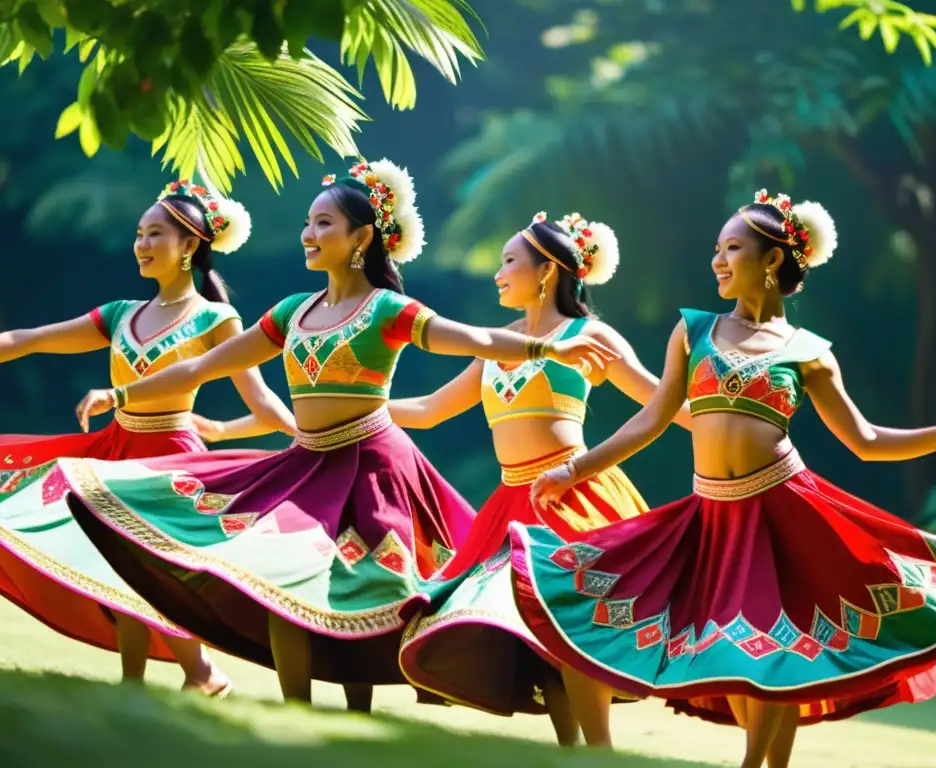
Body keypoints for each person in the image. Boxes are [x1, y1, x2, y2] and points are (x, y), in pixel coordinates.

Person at [57, 160, 619, 711]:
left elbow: (471, 339)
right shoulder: (291, 313)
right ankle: (295, 712)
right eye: (308, 222)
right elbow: (200, 368)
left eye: (323, 223)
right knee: (277, 577)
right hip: (306, 464)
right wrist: (122, 396)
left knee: (373, 590)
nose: (308, 233)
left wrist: (548, 347)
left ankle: (360, 711)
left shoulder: (388, 308)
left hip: (374, 467)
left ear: (361, 237)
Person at [516, 190, 936, 765]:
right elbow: (652, 419)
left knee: (778, 655)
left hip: (784, 513)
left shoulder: (809, 353)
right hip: (711, 518)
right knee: (617, 596)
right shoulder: (694, 330)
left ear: (773, 260)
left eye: (732, 247)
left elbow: (866, 440)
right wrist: (574, 468)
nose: (718, 261)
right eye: (716, 249)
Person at [390, 211, 689, 744]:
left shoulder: (588, 334)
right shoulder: (498, 342)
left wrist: (730, 422)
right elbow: (434, 408)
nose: (499, 274)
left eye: (509, 262)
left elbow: (659, 401)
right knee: (534, 630)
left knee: (568, 618)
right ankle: (572, 751)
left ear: (547, 270)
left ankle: (598, 751)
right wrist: (363, 408)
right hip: (512, 501)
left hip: (576, 494)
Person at [0, 179, 295, 695]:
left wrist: (305, 435)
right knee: (123, 571)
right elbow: (29, 340)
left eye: (155, 233)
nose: (141, 244)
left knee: (157, 572)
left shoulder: (216, 318)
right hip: (117, 450)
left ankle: (201, 672)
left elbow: (261, 399)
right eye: (139, 234)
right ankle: (133, 685)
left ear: (189, 246)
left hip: (171, 460)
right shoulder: (119, 316)